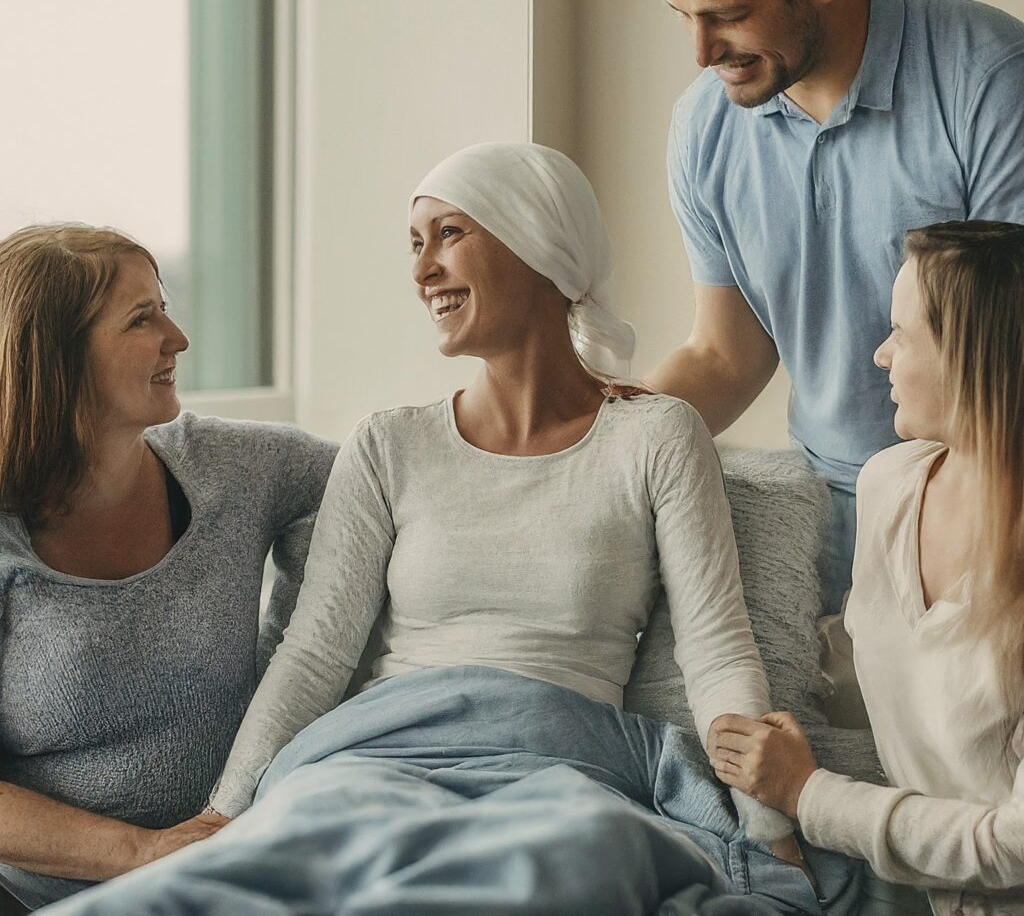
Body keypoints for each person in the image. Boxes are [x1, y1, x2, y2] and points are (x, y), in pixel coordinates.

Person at [37, 143, 868, 915]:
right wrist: (223, 814)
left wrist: (771, 828)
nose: (423, 267)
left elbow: (717, 648)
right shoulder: (389, 443)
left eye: (449, 234)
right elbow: (315, 651)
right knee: (287, 856)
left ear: (537, 243)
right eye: (414, 242)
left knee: (587, 851)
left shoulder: (656, 436)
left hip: (561, 765)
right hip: (376, 757)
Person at [638, 0, 1024, 614]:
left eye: (727, 14)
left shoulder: (992, 80)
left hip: (985, 511)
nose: (700, 51)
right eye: (682, 17)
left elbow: (1010, 360)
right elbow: (727, 355)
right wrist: (590, 438)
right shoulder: (703, 127)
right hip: (819, 517)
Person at [0, 224, 337, 912]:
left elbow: (392, 477)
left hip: (240, 878)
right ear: (57, 358)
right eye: (141, 319)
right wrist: (145, 852)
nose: (176, 338)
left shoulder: (235, 466)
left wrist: (579, 407)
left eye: (164, 306)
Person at [710, 221, 1024, 916]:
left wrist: (808, 794)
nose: (882, 356)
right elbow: (888, 671)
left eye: (903, 334)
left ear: (974, 356)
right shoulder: (890, 485)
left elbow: (1015, 843)